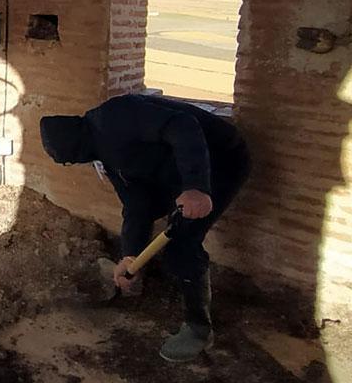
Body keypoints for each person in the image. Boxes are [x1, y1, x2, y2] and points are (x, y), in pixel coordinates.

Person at [39, 94, 250, 362]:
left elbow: (182, 125)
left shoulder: (115, 116)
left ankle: (199, 329)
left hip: (220, 160)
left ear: (75, 149)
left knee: (182, 244)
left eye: (70, 160)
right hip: (176, 169)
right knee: (163, 223)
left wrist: (195, 187)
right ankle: (161, 268)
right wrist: (130, 255)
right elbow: (136, 205)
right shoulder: (105, 155)